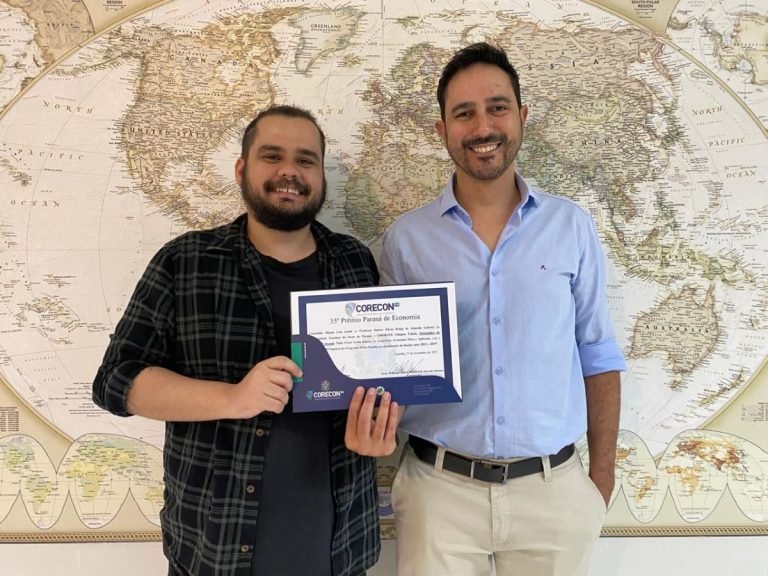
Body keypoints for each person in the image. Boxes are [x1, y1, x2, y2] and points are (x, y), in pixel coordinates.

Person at [93, 104, 399, 576]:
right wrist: (234, 398)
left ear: (321, 175)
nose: (289, 172)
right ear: (242, 169)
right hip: (212, 552)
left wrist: (379, 431)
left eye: (305, 160)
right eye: (272, 156)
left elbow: (383, 378)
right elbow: (115, 382)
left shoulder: (355, 261)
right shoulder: (185, 262)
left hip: (339, 552)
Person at [380, 43, 627, 576]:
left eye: (497, 107)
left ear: (522, 116)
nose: (483, 126)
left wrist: (601, 479)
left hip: (554, 494)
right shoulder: (406, 240)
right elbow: (391, 368)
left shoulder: (571, 226)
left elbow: (598, 353)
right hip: (437, 494)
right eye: (463, 113)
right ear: (442, 130)